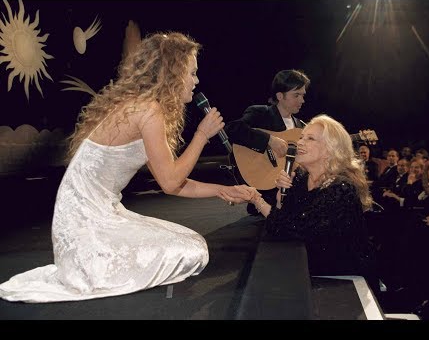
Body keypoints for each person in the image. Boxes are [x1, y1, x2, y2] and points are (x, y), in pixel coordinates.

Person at [0, 31, 256, 303]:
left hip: (98, 212)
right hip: (83, 221)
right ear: (172, 73)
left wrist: (223, 190)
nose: (196, 80)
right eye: (192, 73)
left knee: (190, 241)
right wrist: (202, 136)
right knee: (192, 251)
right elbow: (171, 182)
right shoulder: (148, 111)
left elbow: (171, 181)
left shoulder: (146, 107)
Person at [248, 114, 378, 292]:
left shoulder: (342, 188)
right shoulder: (301, 178)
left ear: (330, 150)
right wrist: (280, 198)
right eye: (301, 137)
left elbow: (294, 229)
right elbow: (281, 223)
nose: (299, 143)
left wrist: (257, 200)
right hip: (311, 273)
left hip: (344, 283)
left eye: (310, 139)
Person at [225, 69, 310, 214]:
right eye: (296, 95)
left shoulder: (302, 127)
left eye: (302, 95)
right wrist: (269, 140)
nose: (302, 100)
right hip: (265, 193)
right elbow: (233, 129)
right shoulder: (261, 113)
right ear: (280, 96)